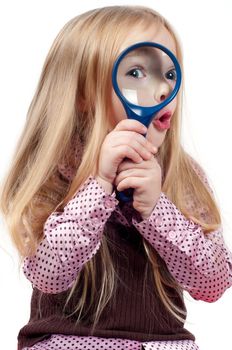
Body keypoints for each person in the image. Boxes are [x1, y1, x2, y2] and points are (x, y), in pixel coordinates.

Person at [0, 5, 232, 350]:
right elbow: (49, 275)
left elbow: (213, 283)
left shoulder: (184, 177)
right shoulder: (51, 174)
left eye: (169, 74)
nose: (163, 89)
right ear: (81, 94)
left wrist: (158, 210)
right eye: (137, 72)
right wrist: (99, 185)